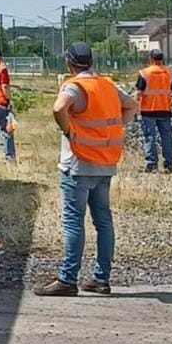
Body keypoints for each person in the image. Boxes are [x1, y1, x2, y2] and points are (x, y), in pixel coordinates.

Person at [34, 42, 129, 297]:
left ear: (69, 63)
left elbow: (58, 108)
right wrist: (114, 129)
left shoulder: (74, 86)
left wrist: (69, 131)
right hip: (105, 163)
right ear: (92, 62)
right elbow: (132, 106)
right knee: (103, 222)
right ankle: (101, 279)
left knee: (74, 222)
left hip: (78, 164)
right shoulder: (107, 85)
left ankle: (67, 279)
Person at [135, 50, 172, 174]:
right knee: (167, 137)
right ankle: (169, 165)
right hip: (165, 110)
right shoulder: (169, 73)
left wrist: (134, 109)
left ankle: (151, 165)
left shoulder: (145, 73)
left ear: (151, 59)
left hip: (148, 111)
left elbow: (139, 93)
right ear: (162, 59)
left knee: (150, 137)